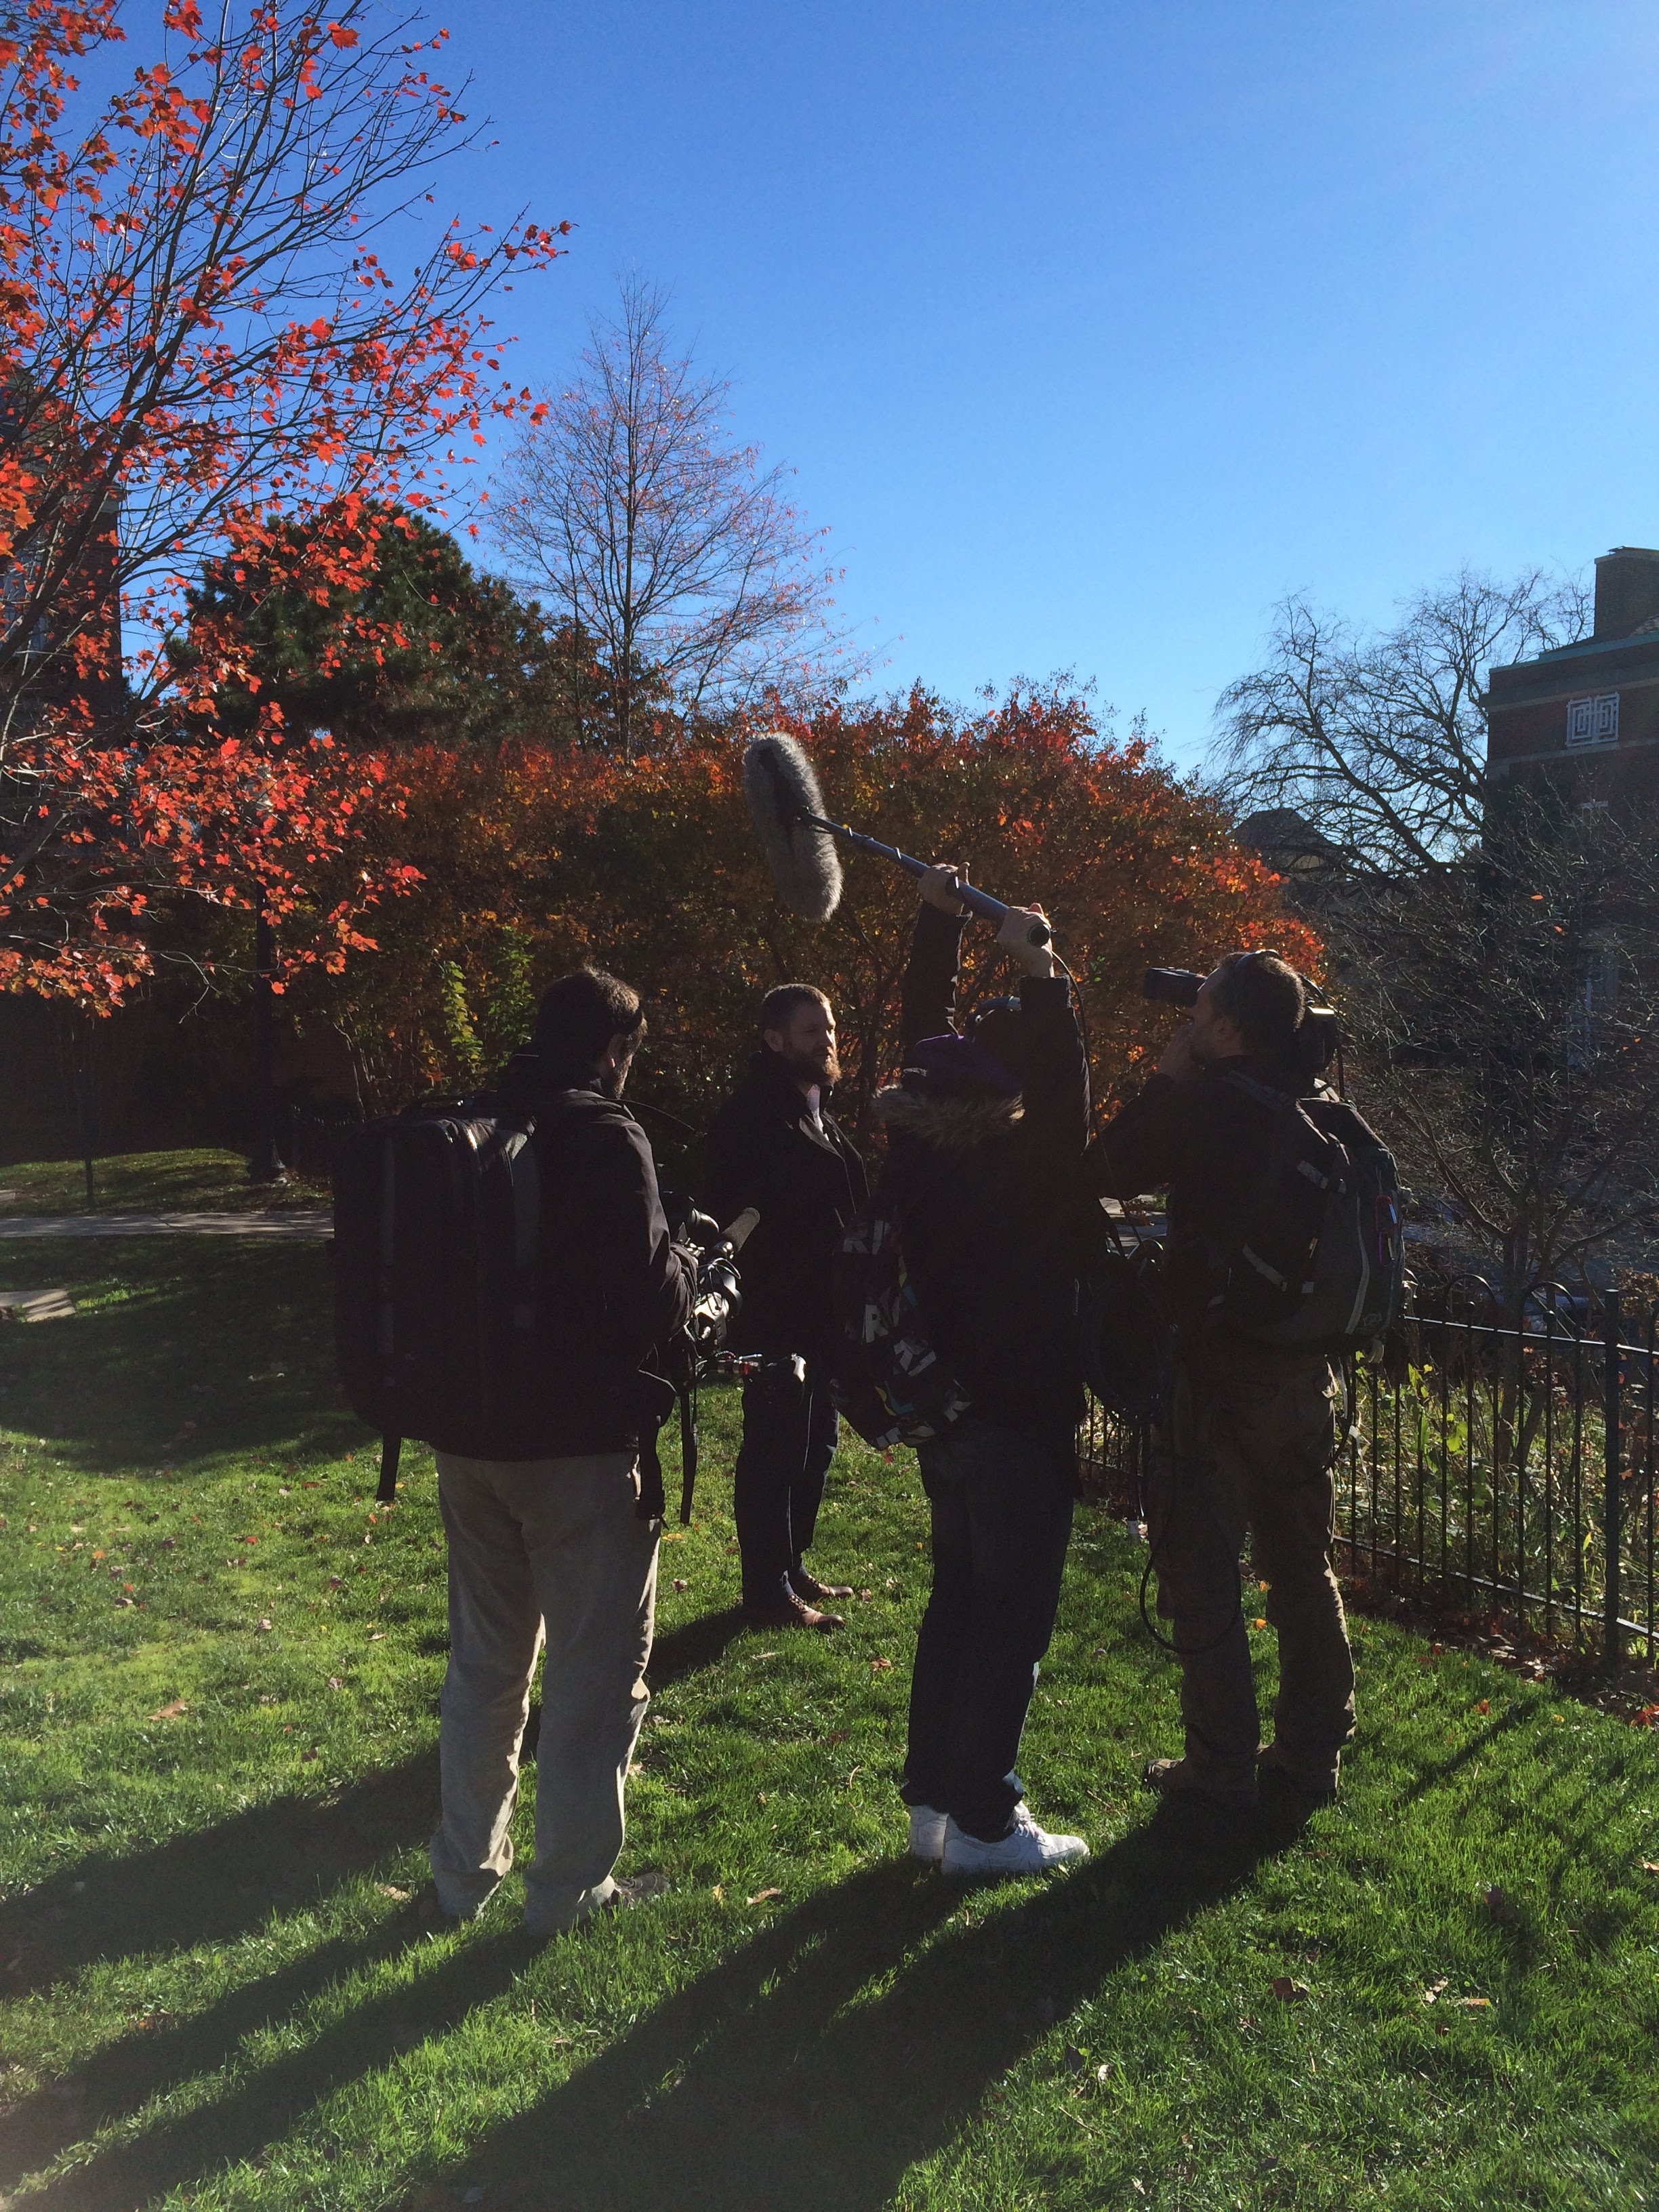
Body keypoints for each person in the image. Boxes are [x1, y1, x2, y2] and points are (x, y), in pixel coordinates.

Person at [428, 968, 697, 1935]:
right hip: (579, 1448)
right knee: (594, 1674)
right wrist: (691, 1267)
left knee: (485, 1667)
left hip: (467, 1436)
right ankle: (571, 1890)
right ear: (615, 1048)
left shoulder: (474, 1121)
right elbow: (653, 1296)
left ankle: (462, 1875)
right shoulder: (606, 1133)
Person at [1088, 950, 1354, 1813]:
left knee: (1202, 1571)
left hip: (1215, 1377)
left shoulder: (1206, 1105)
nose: (1189, 1022)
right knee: (1302, 1566)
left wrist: (1165, 1081)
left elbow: (1100, 1172)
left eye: (1200, 1011)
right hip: (1302, 1377)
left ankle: (1220, 1766)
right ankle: (1312, 1754)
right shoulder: (1319, 1107)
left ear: (1230, 1028)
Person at [881, 866, 1091, 1877]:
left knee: (957, 1606)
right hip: (1019, 1415)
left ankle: (934, 1804)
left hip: (949, 1412)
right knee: (1009, 1620)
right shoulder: (1030, 1164)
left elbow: (922, 1037)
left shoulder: (918, 1150)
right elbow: (1067, 1091)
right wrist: (1044, 974)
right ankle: (983, 1822)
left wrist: (939, 929)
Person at [703, 983, 869, 1629]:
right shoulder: (752, 1116)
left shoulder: (815, 1106)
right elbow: (737, 1217)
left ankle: (792, 1566)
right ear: (774, 1039)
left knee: (817, 1443)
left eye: (830, 1029)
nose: (827, 1041)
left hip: (822, 1312)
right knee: (776, 1448)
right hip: (778, 1313)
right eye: (812, 1031)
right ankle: (766, 1590)